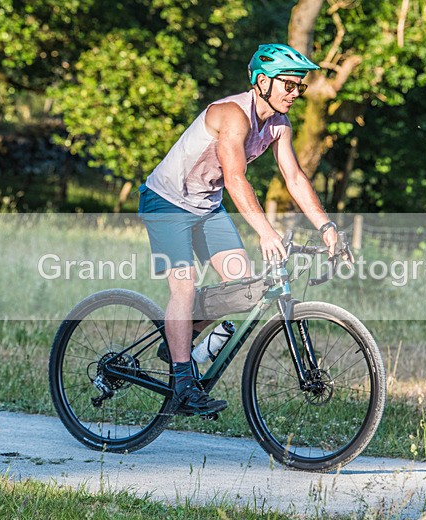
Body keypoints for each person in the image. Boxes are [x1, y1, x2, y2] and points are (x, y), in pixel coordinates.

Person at [138, 43, 340, 416]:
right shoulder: (232, 114)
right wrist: (265, 231)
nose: (296, 94)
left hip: (206, 207)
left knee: (243, 289)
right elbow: (234, 178)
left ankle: (180, 343)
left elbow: (294, 178)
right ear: (262, 82)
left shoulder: (279, 125)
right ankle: (183, 382)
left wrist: (325, 225)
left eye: (300, 87)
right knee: (184, 285)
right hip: (166, 202)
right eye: (289, 86)